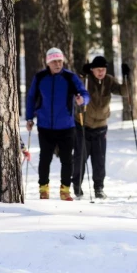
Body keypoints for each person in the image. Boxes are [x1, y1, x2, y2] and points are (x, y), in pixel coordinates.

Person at [25, 48, 90, 201]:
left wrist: (82, 100)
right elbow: (31, 98)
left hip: (66, 126)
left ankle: (65, 190)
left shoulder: (70, 77)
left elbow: (84, 93)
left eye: (60, 61)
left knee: (67, 159)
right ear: (48, 62)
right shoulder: (40, 77)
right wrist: (29, 118)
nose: (58, 64)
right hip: (45, 125)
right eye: (54, 61)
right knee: (45, 158)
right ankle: (43, 189)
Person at [72, 56, 128, 199]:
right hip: (83, 125)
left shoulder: (109, 80)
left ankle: (99, 188)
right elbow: (75, 88)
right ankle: (77, 186)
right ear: (92, 70)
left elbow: (124, 91)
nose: (101, 72)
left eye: (103, 70)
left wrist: (127, 77)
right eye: (98, 70)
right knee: (80, 158)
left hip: (101, 126)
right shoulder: (86, 80)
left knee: (99, 160)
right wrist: (82, 75)